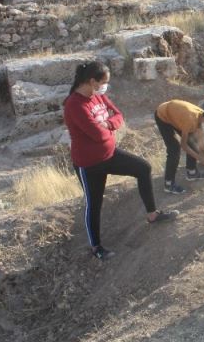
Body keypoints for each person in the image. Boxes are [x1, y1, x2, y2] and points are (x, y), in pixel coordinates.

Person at [63, 61, 178, 260]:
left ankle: (152, 214)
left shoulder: (98, 96)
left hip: (110, 154)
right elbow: (96, 135)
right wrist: (107, 128)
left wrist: (106, 123)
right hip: (89, 164)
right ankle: (96, 247)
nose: (105, 86)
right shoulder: (74, 104)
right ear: (92, 81)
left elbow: (118, 116)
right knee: (94, 203)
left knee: (143, 168)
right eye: (104, 82)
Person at [154, 99, 204, 194]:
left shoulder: (202, 116)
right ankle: (168, 184)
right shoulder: (190, 120)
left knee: (193, 142)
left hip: (176, 115)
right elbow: (184, 145)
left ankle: (192, 172)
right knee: (174, 149)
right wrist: (200, 158)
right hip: (163, 115)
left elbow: (201, 140)